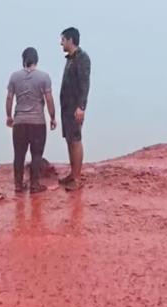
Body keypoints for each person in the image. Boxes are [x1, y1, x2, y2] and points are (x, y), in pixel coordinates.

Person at [6, 47, 57, 193]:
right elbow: (49, 99)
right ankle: (35, 184)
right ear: (37, 60)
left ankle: (18, 184)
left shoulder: (14, 77)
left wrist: (9, 116)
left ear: (23, 60)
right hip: (37, 123)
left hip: (20, 122)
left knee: (19, 154)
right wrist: (52, 117)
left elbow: (9, 98)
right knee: (36, 154)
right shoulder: (44, 77)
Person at [58, 27, 91, 191]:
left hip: (75, 108)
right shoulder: (70, 59)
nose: (61, 43)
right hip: (66, 108)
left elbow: (85, 84)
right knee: (69, 140)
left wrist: (81, 107)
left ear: (71, 40)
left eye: (63, 40)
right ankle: (72, 173)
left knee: (76, 140)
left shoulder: (82, 58)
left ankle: (77, 179)